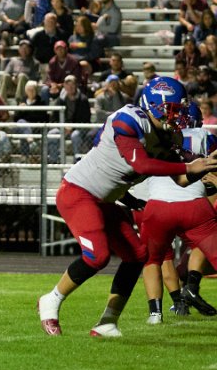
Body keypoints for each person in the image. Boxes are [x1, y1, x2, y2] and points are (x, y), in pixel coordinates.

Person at [37, 77, 217, 337]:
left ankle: (107, 322)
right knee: (97, 257)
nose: (178, 116)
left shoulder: (164, 137)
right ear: (154, 105)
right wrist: (189, 166)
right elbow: (141, 164)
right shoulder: (129, 118)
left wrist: (206, 166)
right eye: (174, 109)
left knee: (137, 256)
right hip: (78, 192)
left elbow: (180, 179)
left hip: (105, 199)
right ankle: (51, 299)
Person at [140, 127, 217, 324]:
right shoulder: (203, 135)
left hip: (157, 205)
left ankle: (156, 313)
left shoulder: (152, 137)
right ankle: (190, 287)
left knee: (153, 260)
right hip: (195, 205)